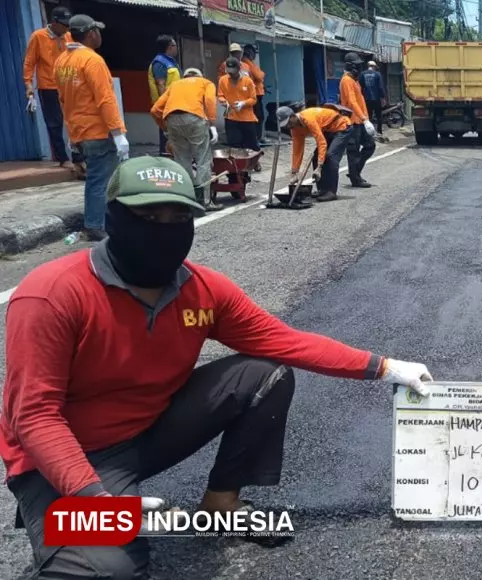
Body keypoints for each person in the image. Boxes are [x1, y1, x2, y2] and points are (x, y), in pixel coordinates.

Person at [1, 155, 434, 580]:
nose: (165, 230)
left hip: (146, 432)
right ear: (114, 218)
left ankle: (221, 507)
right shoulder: (52, 294)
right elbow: (34, 417)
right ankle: (71, 523)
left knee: (265, 375)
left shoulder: (203, 290)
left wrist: (387, 368)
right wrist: (96, 500)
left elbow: (287, 342)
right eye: (149, 216)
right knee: (108, 570)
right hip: (58, 459)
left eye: (178, 217)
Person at [54, 14, 128, 242]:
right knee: (101, 180)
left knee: (97, 178)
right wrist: (118, 134)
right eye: (97, 31)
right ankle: (96, 224)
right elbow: (105, 99)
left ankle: (102, 221)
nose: (100, 35)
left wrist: (71, 133)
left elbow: (63, 99)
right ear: (90, 34)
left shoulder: (62, 61)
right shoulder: (92, 60)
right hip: (99, 130)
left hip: (80, 130)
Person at [22, 6, 84, 176]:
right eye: (63, 25)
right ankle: (63, 158)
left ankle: (78, 157)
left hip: (68, 85)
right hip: (48, 87)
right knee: (54, 124)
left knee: (75, 121)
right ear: (54, 22)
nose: (66, 28)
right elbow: (29, 62)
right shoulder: (38, 37)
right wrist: (28, 86)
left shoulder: (69, 37)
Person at [151, 68, 221, 211]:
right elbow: (209, 100)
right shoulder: (206, 83)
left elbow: (155, 110)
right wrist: (213, 124)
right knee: (202, 159)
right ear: (200, 76)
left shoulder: (174, 85)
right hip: (194, 118)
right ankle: (204, 201)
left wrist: (164, 127)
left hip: (171, 119)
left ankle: (187, 199)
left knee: (182, 161)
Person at [278, 105, 354, 203]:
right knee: (315, 157)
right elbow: (297, 150)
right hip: (328, 130)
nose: (288, 126)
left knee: (330, 156)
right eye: (285, 125)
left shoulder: (308, 119)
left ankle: (331, 191)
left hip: (342, 127)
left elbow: (321, 142)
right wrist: (294, 171)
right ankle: (322, 189)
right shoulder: (295, 129)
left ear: (293, 116)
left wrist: (319, 166)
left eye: (289, 122)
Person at [340, 52, 377, 188]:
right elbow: (352, 101)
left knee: (370, 146)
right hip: (352, 121)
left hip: (360, 121)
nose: (359, 68)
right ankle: (355, 178)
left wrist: (366, 120)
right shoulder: (346, 80)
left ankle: (354, 172)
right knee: (353, 151)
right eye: (356, 66)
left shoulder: (354, 80)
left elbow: (360, 101)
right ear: (350, 66)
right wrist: (364, 119)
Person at [218, 57, 259, 154]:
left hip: (246, 117)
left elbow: (253, 99)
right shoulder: (222, 80)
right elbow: (220, 95)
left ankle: (254, 161)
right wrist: (224, 102)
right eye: (229, 72)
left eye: (233, 72)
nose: (231, 74)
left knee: (251, 143)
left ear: (239, 68)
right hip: (230, 115)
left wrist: (243, 103)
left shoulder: (247, 81)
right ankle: (238, 165)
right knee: (234, 143)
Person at [148, 35, 181, 156]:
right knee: (167, 137)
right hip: (167, 106)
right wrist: (165, 105)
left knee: (175, 136)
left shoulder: (170, 62)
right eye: (175, 45)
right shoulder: (160, 63)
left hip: (175, 104)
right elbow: (160, 84)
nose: (176, 48)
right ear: (169, 47)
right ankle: (166, 160)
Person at [241, 44, 267, 145]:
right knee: (257, 117)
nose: (255, 55)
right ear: (249, 53)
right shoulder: (246, 63)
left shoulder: (249, 63)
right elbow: (259, 76)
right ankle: (256, 138)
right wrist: (261, 74)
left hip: (257, 94)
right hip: (254, 94)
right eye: (254, 53)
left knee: (259, 117)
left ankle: (258, 137)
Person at [359, 60, 387, 136]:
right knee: (379, 116)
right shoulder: (377, 74)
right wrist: (383, 98)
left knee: (368, 116)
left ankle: (369, 132)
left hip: (366, 99)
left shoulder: (362, 74)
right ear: (374, 67)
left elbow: (360, 87)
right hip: (376, 99)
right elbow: (381, 87)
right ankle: (379, 132)